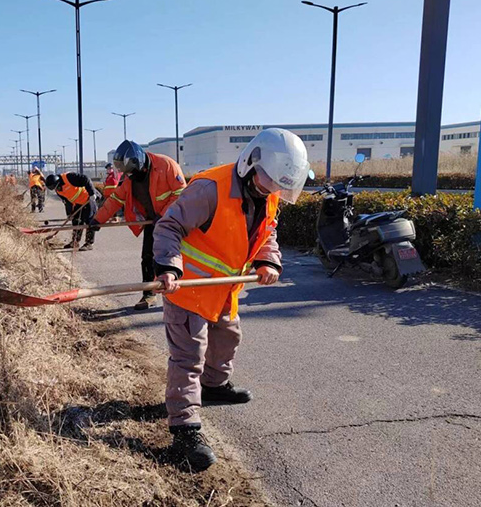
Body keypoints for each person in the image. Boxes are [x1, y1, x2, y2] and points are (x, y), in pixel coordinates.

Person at [152, 128, 310, 471]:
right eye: (267, 183)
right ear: (250, 163)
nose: (272, 191)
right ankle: (184, 430)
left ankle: (214, 386)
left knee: (227, 339)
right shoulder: (210, 189)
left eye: (278, 187)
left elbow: (266, 233)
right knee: (187, 358)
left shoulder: (268, 194)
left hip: (224, 289)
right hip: (188, 290)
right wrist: (167, 266)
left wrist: (268, 260)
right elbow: (168, 227)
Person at [90, 140, 187, 310]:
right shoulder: (130, 178)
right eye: (127, 174)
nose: (130, 177)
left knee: (177, 255)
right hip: (152, 220)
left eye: (132, 173)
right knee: (147, 257)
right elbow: (116, 199)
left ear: (139, 163)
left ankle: (183, 291)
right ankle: (149, 294)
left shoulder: (167, 165)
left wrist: (163, 215)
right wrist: (98, 219)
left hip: (173, 219)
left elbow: (181, 193)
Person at [45, 172, 98, 251]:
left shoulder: (69, 177)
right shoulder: (59, 191)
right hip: (77, 203)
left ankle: (89, 243)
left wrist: (91, 193)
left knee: (89, 221)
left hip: (88, 199)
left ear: (58, 182)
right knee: (76, 222)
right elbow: (67, 202)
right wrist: (69, 213)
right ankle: (75, 242)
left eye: (58, 187)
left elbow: (86, 179)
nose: (58, 189)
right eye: (56, 189)